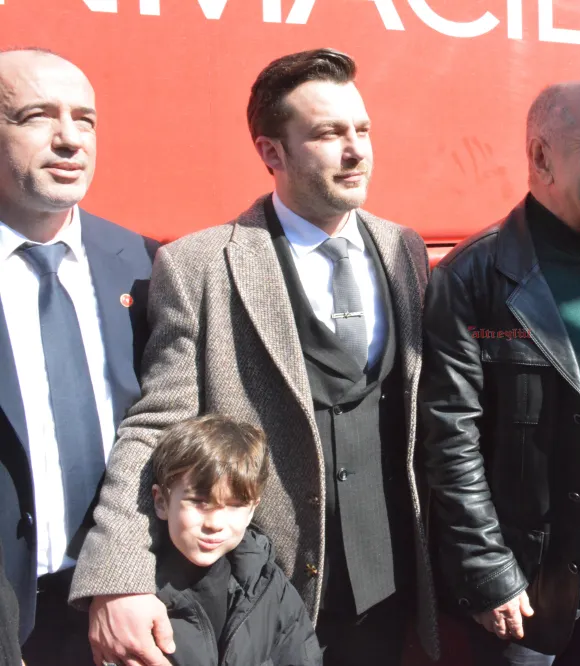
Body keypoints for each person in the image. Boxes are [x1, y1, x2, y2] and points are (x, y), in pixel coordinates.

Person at [70, 48, 438, 666]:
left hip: (392, 585)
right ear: (272, 152)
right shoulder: (199, 265)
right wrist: (118, 571)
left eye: (362, 129)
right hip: (264, 594)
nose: (356, 150)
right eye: (329, 133)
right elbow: (158, 424)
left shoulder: (404, 249)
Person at [420, 81, 580, 666]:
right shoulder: (473, 275)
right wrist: (489, 572)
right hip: (526, 581)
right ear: (541, 157)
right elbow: (450, 438)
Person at [0, 47, 157, 664]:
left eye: (85, 119)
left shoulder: (144, 263)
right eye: (38, 116)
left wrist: (127, 573)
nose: (70, 139)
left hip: (121, 601)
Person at [149, 414, 321, 666]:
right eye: (199, 502)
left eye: (235, 505)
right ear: (161, 501)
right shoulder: (138, 596)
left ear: (252, 510)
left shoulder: (270, 586)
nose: (215, 523)